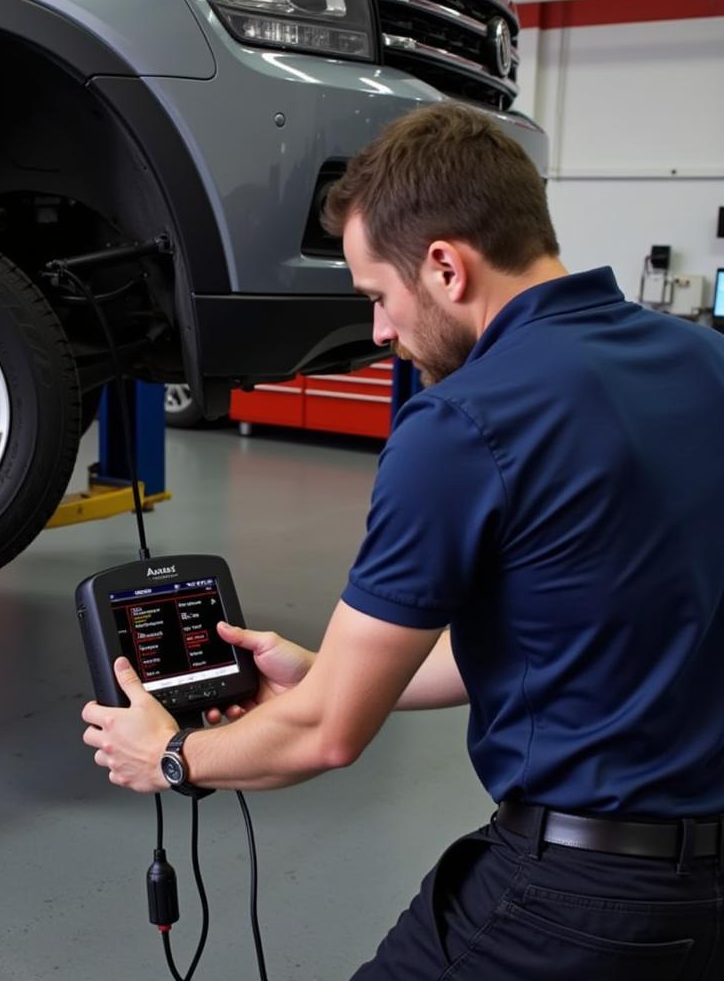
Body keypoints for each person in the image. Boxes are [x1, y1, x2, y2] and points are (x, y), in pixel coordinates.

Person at [81, 103, 724, 979]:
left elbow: (327, 738)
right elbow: (571, 626)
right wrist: (332, 670)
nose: (380, 333)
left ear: (446, 267)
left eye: (378, 297)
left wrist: (167, 755)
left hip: (579, 902)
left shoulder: (462, 422)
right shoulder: (701, 363)